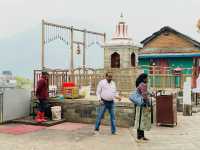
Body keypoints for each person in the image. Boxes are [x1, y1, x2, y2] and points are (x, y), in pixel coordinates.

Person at [131, 73, 151, 142]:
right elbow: (144, 95)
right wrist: (147, 103)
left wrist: (151, 94)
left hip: (139, 104)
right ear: (144, 79)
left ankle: (141, 136)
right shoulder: (143, 84)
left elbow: (146, 92)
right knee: (140, 120)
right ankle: (139, 137)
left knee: (141, 120)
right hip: (141, 104)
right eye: (147, 78)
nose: (147, 79)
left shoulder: (141, 84)